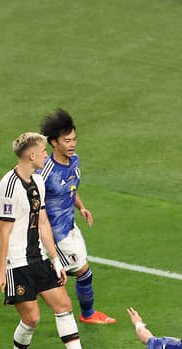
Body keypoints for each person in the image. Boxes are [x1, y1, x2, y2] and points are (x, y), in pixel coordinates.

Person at [0, 132, 113, 349]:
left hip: (39, 258)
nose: (47, 155)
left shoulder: (38, 180)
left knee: (64, 306)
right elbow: (4, 231)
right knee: (31, 318)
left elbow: (43, 222)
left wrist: (55, 260)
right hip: (17, 263)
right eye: (43, 151)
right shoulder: (9, 187)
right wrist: (1, 271)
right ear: (32, 155)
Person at [38, 108, 116, 324]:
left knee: (78, 270)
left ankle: (32, 277)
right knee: (83, 272)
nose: (72, 144)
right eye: (67, 140)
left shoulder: (74, 161)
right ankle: (87, 314)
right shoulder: (45, 172)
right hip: (55, 234)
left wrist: (81, 207)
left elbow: (71, 187)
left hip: (70, 227)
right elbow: (32, 201)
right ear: (53, 142)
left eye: (74, 139)